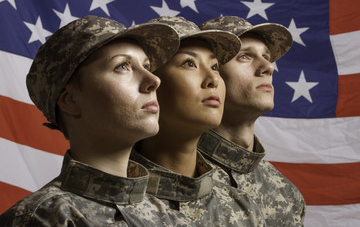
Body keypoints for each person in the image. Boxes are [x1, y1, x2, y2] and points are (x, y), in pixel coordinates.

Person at [0, 15, 197, 226]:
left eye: (147, 66)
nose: (154, 80)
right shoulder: (43, 218)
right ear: (70, 100)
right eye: (122, 66)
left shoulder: (172, 217)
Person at [131, 16, 267, 226]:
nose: (213, 79)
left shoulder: (244, 211)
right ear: (150, 83)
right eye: (189, 63)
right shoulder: (114, 206)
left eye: (215, 67)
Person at [198, 16, 306, 226]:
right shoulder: (178, 175)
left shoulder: (287, 193)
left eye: (267, 57)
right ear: (210, 74)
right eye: (245, 57)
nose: (268, 67)